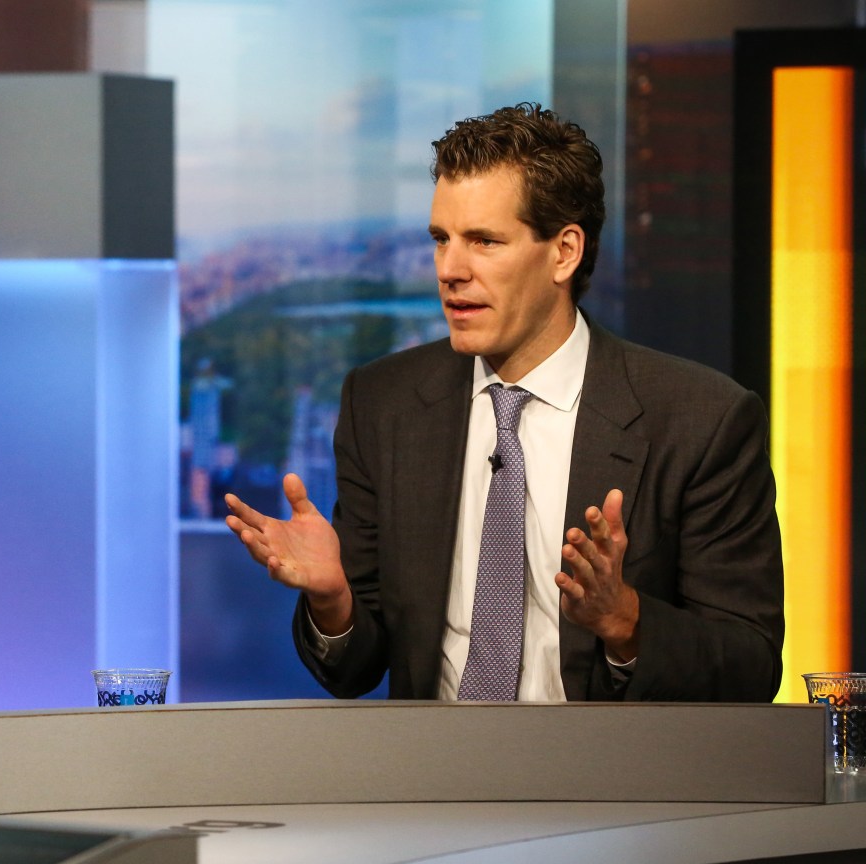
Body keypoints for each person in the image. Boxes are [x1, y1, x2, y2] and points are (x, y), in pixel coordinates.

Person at [225, 103, 783, 703]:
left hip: (611, 787)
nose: (450, 270)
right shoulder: (383, 404)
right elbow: (354, 669)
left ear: (564, 252)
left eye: (484, 241)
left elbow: (750, 664)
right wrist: (333, 601)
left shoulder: (701, 420)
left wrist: (625, 620)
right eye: (441, 240)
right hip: (435, 782)